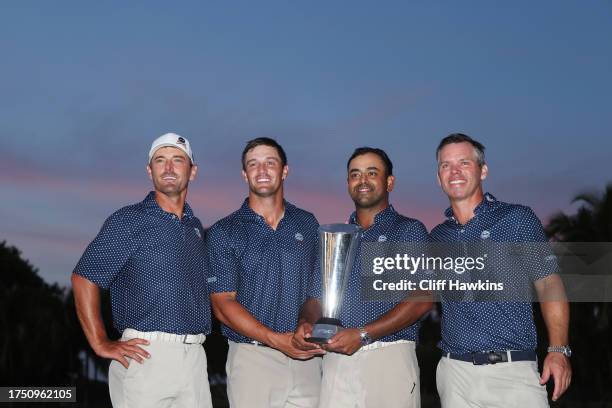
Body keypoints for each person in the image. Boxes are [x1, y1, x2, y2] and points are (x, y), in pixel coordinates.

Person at [430, 133, 572, 407]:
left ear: (483, 170)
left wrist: (558, 349)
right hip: (454, 376)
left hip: (513, 374)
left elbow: (549, 284)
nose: (454, 171)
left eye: (464, 163)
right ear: (438, 177)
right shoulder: (437, 237)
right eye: (446, 165)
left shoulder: (516, 219)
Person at [71, 133, 212, 408]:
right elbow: (85, 276)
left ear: (192, 171)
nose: (168, 168)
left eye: (177, 160)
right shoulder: (129, 220)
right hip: (146, 355)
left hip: (195, 357)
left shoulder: (195, 228)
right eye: (160, 160)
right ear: (150, 171)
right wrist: (100, 342)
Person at [295, 147, 432, 408]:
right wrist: (306, 322)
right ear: (348, 183)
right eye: (355, 174)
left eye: (372, 173)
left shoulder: (408, 230)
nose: (363, 180)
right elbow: (315, 299)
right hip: (337, 360)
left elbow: (422, 300)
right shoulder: (335, 237)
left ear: (389, 182)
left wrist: (362, 334)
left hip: (387, 357)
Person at [207, 137, 323, 408]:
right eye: (253, 164)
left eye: (270, 163)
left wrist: (306, 323)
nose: (261, 171)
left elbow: (315, 292)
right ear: (244, 174)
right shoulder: (224, 231)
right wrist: (275, 340)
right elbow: (222, 304)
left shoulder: (307, 223)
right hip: (252, 358)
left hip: (306, 357)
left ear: (284, 170)